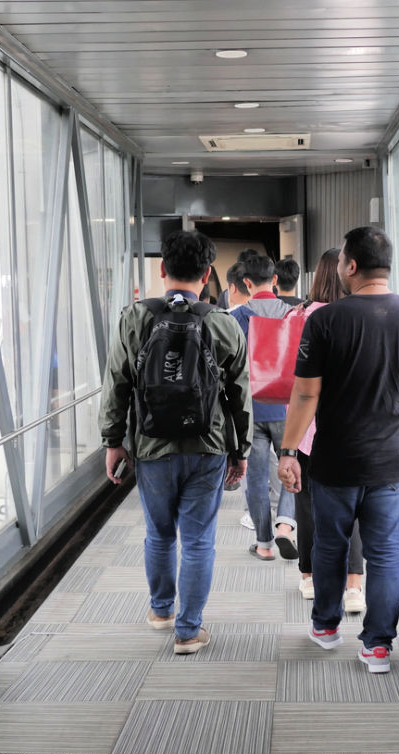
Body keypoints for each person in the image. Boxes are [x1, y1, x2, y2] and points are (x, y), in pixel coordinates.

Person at [279, 226, 399, 674]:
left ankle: (327, 627)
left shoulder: (326, 321)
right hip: (392, 462)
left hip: (334, 460)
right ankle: (377, 647)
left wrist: (289, 450)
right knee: (385, 551)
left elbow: (306, 396)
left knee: (330, 546)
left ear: (349, 266)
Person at [100, 229, 251, 655]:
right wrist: (240, 452)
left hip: (151, 446)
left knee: (159, 535)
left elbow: (116, 384)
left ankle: (160, 611)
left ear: (162, 270)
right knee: (199, 539)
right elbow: (241, 394)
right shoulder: (222, 322)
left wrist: (114, 441)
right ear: (207, 276)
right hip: (209, 446)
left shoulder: (134, 318)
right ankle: (188, 631)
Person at [291, 249, 366, 613]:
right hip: (349, 428)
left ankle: (307, 578)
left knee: (305, 505)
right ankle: (354, 586)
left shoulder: (302, 315)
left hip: (307, 428)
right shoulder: (357, 316)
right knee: (351, 508)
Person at [231, 254, 298, 561]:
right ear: (274, 280)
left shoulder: (235, 318)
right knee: (290, 466)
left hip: (250, 409)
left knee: (256, 477)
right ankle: (285, 524)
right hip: (288, 408)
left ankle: (264, 544)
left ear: (246, 283)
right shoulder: (294, 314)